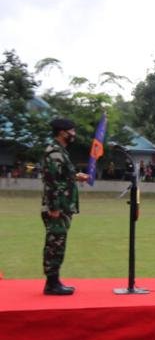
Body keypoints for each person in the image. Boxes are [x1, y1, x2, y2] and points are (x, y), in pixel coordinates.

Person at [41, 118, 89, 295]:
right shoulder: (54, 152)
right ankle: (52, 284)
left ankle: (54, 281)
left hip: (63, 205)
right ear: (62, 132)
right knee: (55, 244)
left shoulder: (60, 151)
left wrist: (76, 176)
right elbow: (51, 181)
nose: (74, 134)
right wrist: (54, 207)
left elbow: (62, 176)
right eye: (72, 131)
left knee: (58, 243)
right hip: (57, 207)